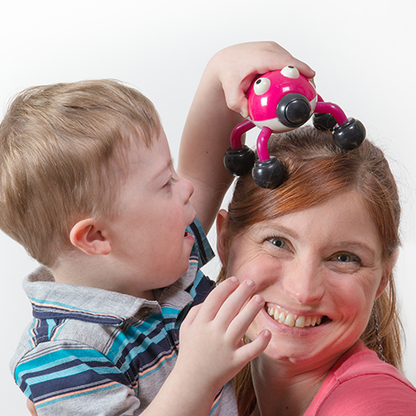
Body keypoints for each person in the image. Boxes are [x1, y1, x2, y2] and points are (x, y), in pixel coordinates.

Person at [1, 42, 315, 415]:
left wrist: (221, 73)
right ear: (97, 237)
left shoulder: (163, 261)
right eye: (165, 183)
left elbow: (205, 168)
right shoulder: (62, 355)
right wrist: (198, 374)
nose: (187, 188)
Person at [215, 125, 416, 415]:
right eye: (278, 242)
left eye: (345, 258)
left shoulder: (373, 407)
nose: (303, 291)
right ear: (224, 241)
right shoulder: (225, 391)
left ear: (384, 275)